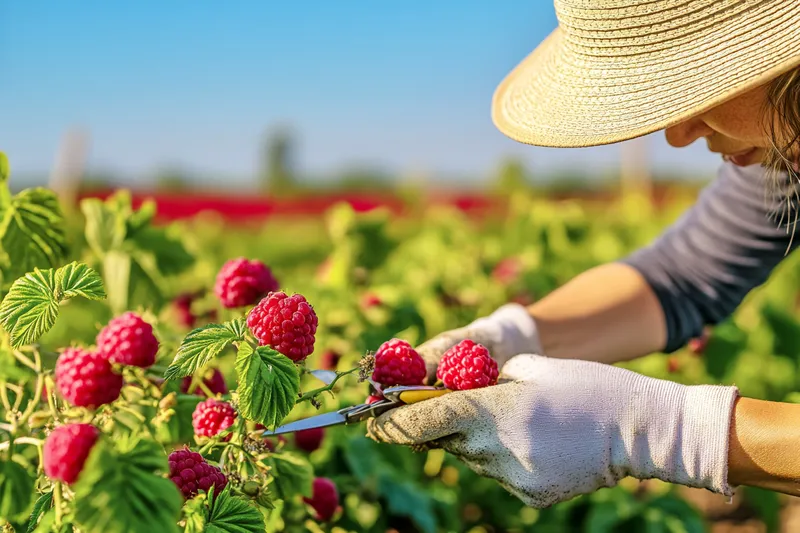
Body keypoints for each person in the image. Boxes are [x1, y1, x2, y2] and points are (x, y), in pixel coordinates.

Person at [366, 0, 800, 509]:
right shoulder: (783, 152)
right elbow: (682, 277)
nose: (680, 134)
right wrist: (512, 338)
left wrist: (662, 431)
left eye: (710, 83)